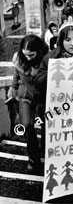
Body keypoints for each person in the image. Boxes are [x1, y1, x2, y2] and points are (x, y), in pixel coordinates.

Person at [8, 34, 49, 173]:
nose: (28, 58)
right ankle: (33, 157)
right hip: (25, 95)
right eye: (25, 54)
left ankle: (46, 152)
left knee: (45, 124)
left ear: (39, 51)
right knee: (27, 125)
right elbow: (16, 73)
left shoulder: (46, 59)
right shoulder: (19, 58)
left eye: (31, 55)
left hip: (43, 97)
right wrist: (13, 87)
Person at [35, 22, 73, 105]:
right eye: (67, 40)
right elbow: (38, 85)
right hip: (60, 106)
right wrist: (51, 71)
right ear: (61, 41)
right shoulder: (50, 58)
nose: (72, 44)